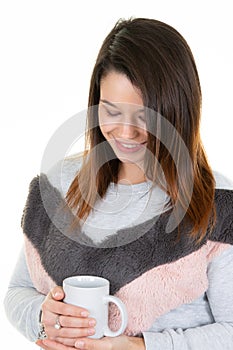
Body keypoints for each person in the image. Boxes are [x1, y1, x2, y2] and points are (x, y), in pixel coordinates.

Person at [4, 17, 233, 350]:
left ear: (176, 113)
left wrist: (138, 347)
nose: (125, 133)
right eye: (111, 111)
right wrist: (44, 318)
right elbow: (17, 293)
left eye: (143, 117)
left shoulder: (218, 205)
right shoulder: (59, 184)